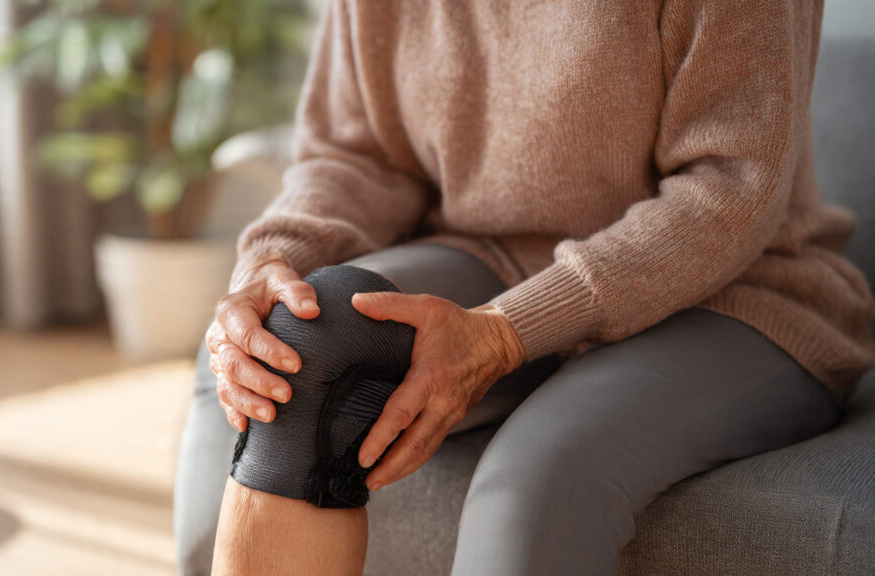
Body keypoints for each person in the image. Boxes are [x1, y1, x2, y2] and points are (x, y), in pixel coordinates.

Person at [174, 1, 875, 574]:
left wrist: (507, 332)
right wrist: (272, 260)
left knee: (541, 478)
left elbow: (730, 191)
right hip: (489, 258)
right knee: (304, 351)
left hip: (736, 290)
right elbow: (357, 156)